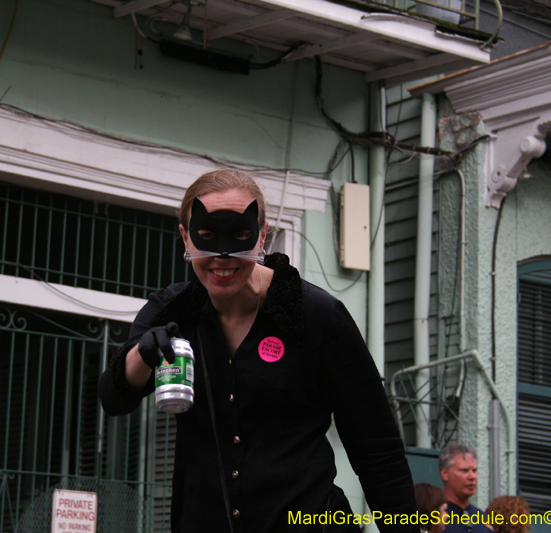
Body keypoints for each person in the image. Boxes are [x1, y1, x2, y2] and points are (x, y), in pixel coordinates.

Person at [99, 169, 419, 532]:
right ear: (185, 238)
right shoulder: (171, 311)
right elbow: (113, 398)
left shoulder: (316, 316)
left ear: (262, 234)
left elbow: (377, 448)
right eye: (206, 238)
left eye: (238, 237)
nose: (222, 257)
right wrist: (141, 355)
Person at [439, 444, 491, 533]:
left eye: (474, 470)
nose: (472, 477)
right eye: (464, 471)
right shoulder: (435, 517)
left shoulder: (483, 518)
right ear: (445, 473)